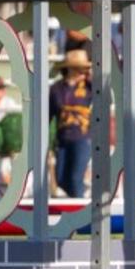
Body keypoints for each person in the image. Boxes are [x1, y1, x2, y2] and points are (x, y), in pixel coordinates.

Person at [48, 49, 93, 198]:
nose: (84, 71)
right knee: (61, 178)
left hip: (83, 137)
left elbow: (108, 100)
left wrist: (93, 79)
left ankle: (80, 211)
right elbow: (48, 114)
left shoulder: (90, 87)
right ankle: (74, 204)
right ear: (69, 68)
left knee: (75, 177)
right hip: (62, 138)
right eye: (79, 67)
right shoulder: (56, 89)